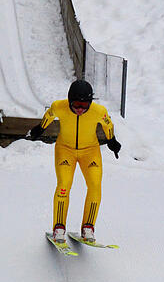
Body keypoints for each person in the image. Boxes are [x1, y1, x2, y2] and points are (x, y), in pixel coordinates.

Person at [29, 79, 121, 243]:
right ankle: (59, 227)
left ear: (90, 103)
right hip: (65, 150)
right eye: (76, 105)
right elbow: (48, 116)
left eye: (84, 106)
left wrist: (112, 141)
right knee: (64, 185)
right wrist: (39, 128)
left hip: (90, 152)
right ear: (69, 100)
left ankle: (88, 227)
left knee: (95, 185)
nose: (80, 109)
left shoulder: (99, 111)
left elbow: (108, 125)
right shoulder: (59, 106)